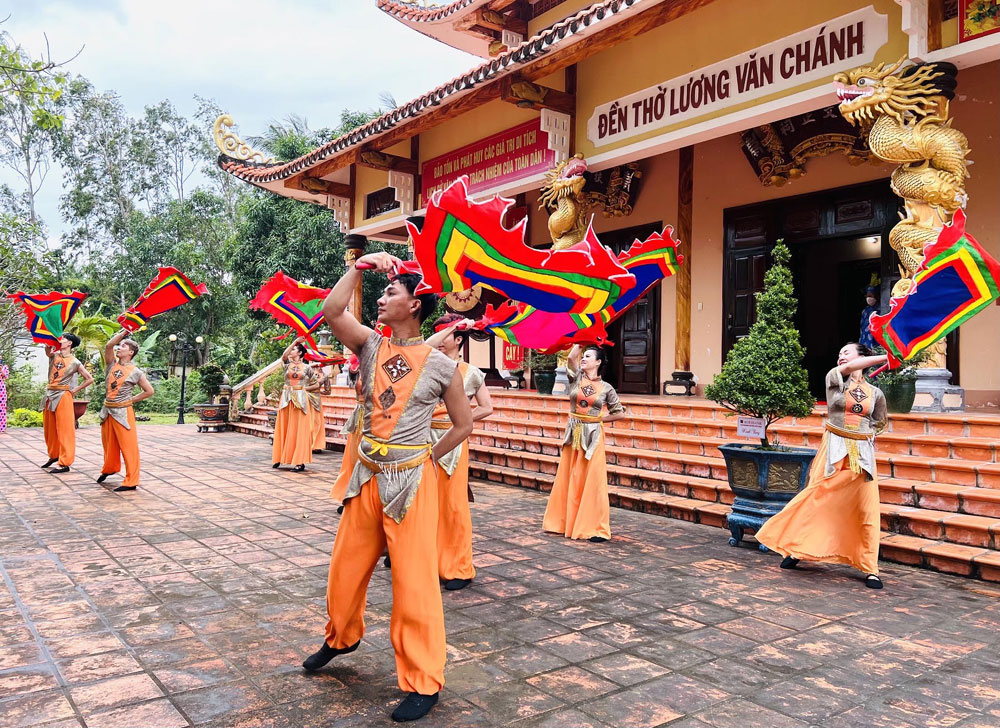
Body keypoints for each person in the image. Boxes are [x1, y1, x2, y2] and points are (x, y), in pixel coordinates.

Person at [305, 252, 473, 723]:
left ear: (416, 303)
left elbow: (462, 426)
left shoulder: (441, 367)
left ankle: (424, 681)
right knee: (345, 569)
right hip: (365, 477)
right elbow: (332, 311)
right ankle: (342, 636)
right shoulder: (370, 346)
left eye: (391, 291)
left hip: (411, 484)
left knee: (414, 582)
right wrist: (359, 268)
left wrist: (425, 459)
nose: (381, 299)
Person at [756, 342, 889, 589]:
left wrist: (864, 434)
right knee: (818, 498)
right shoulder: (835, 378)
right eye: (839, 353)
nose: (840, 357)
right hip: (834, 450)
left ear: (862, 356)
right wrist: (886, 356)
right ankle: (797, 548)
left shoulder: (876, 393)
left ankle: (870, 568)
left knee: (865, 510)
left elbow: (880, 422)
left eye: (846, 352)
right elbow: (850, 367)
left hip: (862, 456)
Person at [424, 313, 493, 591]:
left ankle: (458, 567)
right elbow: (427, 344)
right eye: (439, 333)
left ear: (459, 340)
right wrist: (451, 326)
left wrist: (461, 419)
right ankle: (424, 561)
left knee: (453, 506)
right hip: (422, 438)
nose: (441, 340)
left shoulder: (471, 373)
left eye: (447, 334)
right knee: (423, 502)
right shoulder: (427, 363)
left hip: (453, 440)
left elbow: (486, 407)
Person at [542, 345, 625, 542]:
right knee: (570, 476)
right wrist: (579, 342)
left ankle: (596, 528)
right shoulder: (576, 378)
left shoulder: (607, 388)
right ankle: (563, 522)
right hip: (574, 434)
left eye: (588, 356)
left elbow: (619, 413)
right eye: (584, 356)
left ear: (598, 362)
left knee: (593, 480)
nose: (584, 359)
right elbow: (571, 358)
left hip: (593, 435)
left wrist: (597, 420)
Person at [97, 330, 155, 491]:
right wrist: (125, 332)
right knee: (109, 444)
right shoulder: (111, 364)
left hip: (123, 412)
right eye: (120, 345)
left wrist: (131, 400)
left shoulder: (136, 372)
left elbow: (149, 391)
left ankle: (131, 480)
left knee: (128, 446)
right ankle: (110, 468)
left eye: (123, 346)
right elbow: (109, 345)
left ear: (131, 352)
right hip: (108, 410)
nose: (119, 348)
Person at [41, 333, 94, 473]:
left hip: (64, 395)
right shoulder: (54, 355)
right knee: (49, 428)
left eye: (63, 339)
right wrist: (48, 343)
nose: (61, 340)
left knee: (65, 429)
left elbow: (89, 379)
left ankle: (65, 462)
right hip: (50, 393)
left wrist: (74, 390)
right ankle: (54, 455)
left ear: (69, 343)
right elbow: (48, 351)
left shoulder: (75, 362)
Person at [272, 337, 317, 472]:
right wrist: (295, 342)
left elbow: (316, 383)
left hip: (301, 400)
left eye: (294, 350)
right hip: (286, 399)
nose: (291, 351)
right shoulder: (287, 365)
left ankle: (299, 462)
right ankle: (279, 457)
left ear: (300, 353)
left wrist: (304, 390)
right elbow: (284, 355)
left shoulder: (307, 368)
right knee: (283, 427)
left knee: (299, 430)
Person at [308, 366, 330, 453]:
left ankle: (315, 445)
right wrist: (318, 391)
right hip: (312, 399)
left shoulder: (306, 373)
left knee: (315, 422)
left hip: (310, 399)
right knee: (315, 422)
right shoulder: (324, 376)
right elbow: (328, 391)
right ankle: (314, 445)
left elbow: (328, 391)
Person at [859, 286, 879, 351]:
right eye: (867, 296)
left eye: (870, 296)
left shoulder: (881, 308)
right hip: (864, 338)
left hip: (876, 338)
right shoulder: (865, 310)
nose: (868, 298)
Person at [0, 356, 8, 434]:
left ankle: (2, 427)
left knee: (2, 407)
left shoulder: (5, 367)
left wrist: (1, 370)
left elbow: (6, 376)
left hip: (1, 388)